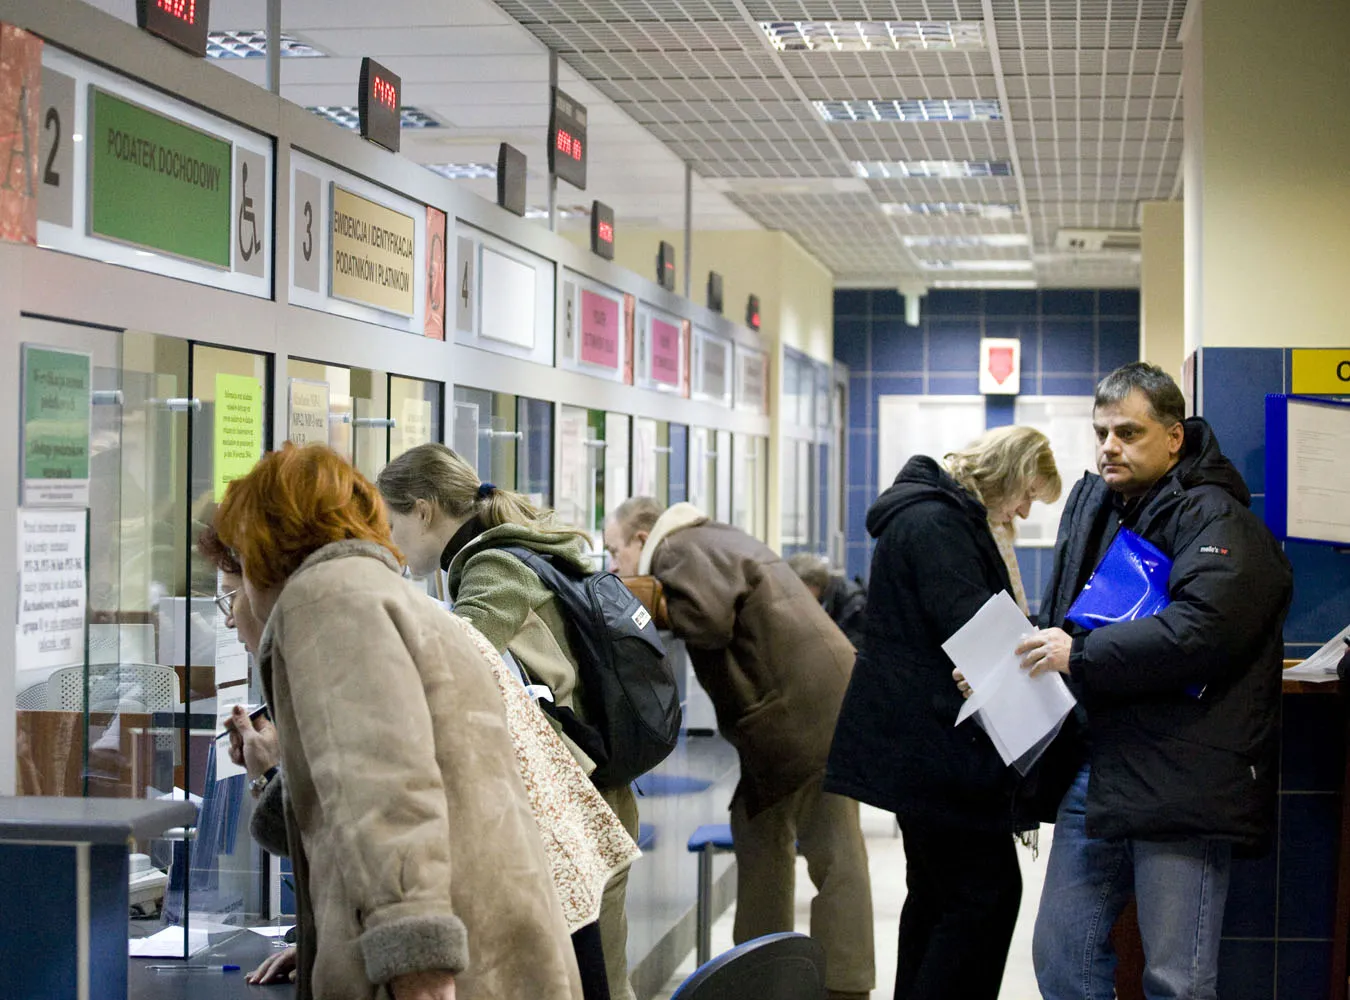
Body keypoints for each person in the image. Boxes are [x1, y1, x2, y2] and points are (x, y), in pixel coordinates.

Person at [214, 442, 582, 1000]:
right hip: (491, 947)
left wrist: (417, 967)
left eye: (236, 572)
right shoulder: (376, 594)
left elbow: (388, 796)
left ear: (262, 550)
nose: (235, 604)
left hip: (453, 973)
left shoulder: (327, 601)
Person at [1015, 362, 1292, 1000]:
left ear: (1174, 437)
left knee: (1177, 979)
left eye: (1129, 433)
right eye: (1102, 433)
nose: (1110, 446)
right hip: (1100, 769)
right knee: (1062, 956)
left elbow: (1203, 631)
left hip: (1180, 779)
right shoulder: (1106, 512)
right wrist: (1015, 656)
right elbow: (1073, 619)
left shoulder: (1219, 520)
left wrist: (1078, 656)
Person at [377, 443, 641, 1000]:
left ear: (423, 510)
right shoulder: (507, 551)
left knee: (599, 985)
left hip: (584, 801)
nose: (391, 542)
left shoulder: (495, 564)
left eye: (392, 523)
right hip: (589, 793)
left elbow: (457, 662)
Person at [604, 498, 875, 1000]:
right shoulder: (712, 537)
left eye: (615, 552)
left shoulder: (677, 550)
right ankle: (773, 973)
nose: (613, 566)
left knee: (828, 851)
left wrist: (639, 611)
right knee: (770, 836)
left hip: (797, 717)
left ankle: (833, 984)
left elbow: (707, 620)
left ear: (642, 540)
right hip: (815, 705)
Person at [823, 425, 1060, 1000]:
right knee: (982, 897)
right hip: (933, 752)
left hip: (920, 750)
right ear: (1005, 474)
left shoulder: (935, 517)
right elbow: (974, 629)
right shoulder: (938, 524)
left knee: (935, 896)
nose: (1025, 511)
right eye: (1027, 494)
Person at [786, 553, 867, 648]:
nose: (797, 599)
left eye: (801, 591)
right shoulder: (822, 599)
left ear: (816, 584)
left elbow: (851, 651)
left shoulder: (853, 607)